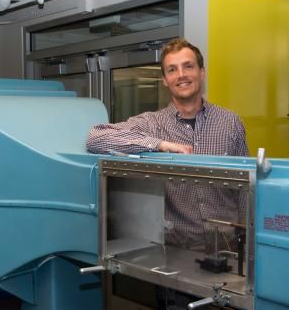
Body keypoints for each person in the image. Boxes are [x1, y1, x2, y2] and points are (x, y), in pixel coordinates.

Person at [86, 38, 249, 309]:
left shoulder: (230, 122)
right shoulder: (152, 124)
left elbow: (245, 186)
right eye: (172, 69)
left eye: (188, 66)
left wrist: (248, 243)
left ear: (202, 72)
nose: (181, 75)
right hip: (177, 252)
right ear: (164, 79)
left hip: (230, 251)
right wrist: (159, 145)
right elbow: (96, 138)